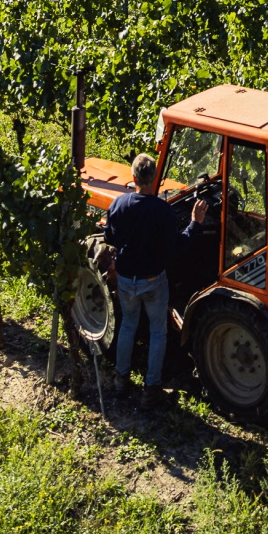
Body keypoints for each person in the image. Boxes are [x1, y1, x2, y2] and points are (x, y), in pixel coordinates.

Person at [104, 152, 208, 409]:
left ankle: (121, 379)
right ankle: (151, 388)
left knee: (128, 325)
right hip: (154, 282)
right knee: (158, 331)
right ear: (155, 179)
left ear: (134, 177)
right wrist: (195, 223)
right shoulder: (163, 211)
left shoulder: (118, 204)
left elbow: (109, 237)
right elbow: (177, 247)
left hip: (128, 281)